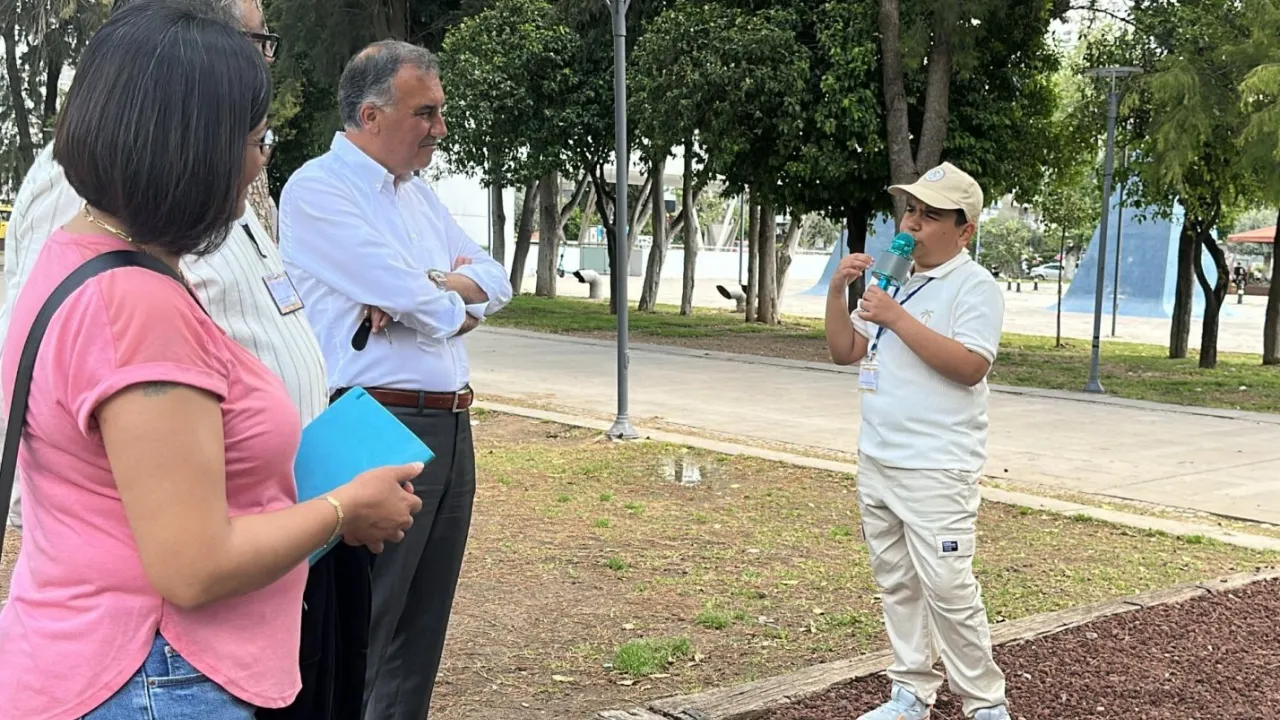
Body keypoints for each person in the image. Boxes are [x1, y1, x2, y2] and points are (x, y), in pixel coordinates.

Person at [0, 3, 423, 718]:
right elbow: (193, 565)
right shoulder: (138, 306)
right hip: (155, 676)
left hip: (111, 659)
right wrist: (344, 508)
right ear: (193, 151)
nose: (261, 159)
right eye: (256, 140)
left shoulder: (80, 254)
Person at [279, 40, 513, 720]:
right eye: (426, 113)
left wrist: (433, 288)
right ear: (371, 115)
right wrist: (442, 294)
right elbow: (427, 304)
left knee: (421, 631)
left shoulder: (418, 196)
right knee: (365, 627)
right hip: (374, 421)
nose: (441, 128)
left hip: (450, 421)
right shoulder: (319, 190)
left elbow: (495, 283)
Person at [823, 162, 1010, 720]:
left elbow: (971, 366)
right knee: (897, 582)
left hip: (936, 467)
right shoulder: (891, 278)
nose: (913, 223)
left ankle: (985, 705)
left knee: (948, 588)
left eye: (931, 215)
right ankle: (909, 694)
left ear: (964, 230)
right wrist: (838, 291)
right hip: (878, 458)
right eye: (911, 210)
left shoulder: (974, 286)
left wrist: (898, 318)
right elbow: (846, 351)